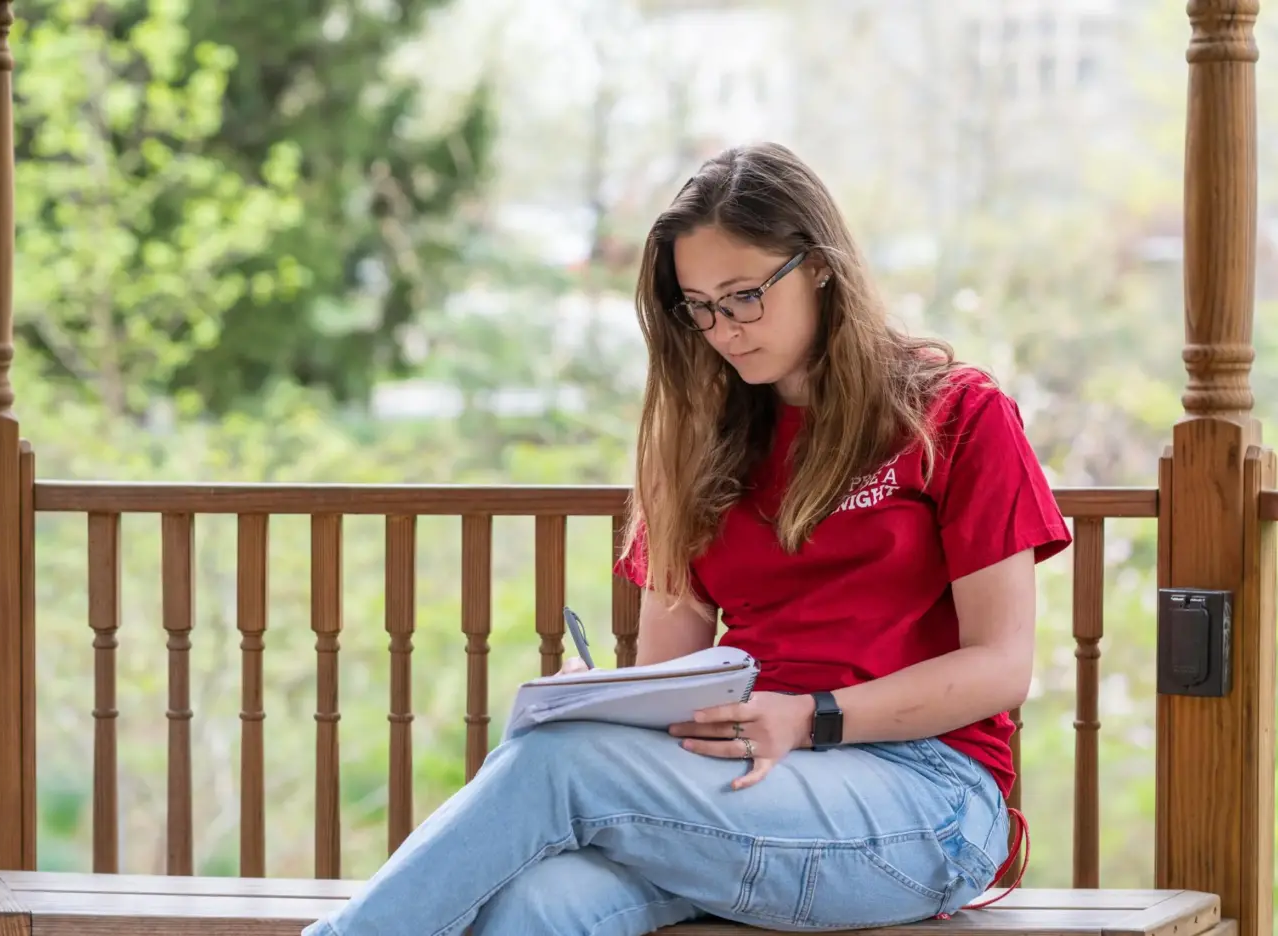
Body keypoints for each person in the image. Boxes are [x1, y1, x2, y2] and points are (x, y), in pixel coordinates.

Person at [302, 141, 1071, 936]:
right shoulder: (695, 443)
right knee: (537, 906)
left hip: (930, 798)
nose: (723, 330)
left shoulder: (955, 414)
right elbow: (673, 676)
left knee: (559, 770)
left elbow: (1000, 668)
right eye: (698, 307)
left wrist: (810, 717)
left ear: (818, 266)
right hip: (738, 788)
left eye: (743, 296)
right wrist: (603, 703)